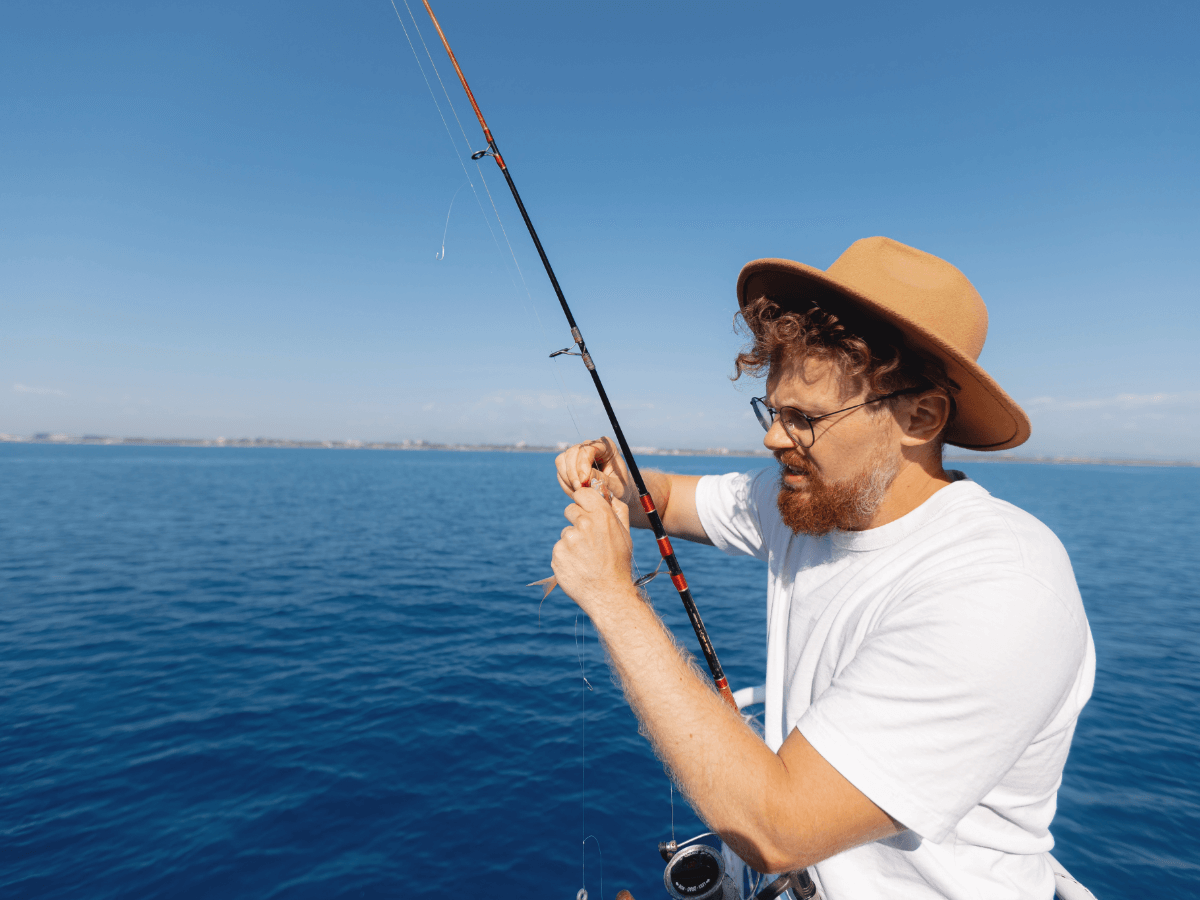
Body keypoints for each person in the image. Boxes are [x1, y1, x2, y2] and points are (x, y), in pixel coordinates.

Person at [549, 237, 1095, 900]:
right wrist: (611, 478)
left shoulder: (1001, 587)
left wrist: (613, 598)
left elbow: (778, 829)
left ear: (919, 416)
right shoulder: (809, 500)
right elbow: (661, 498)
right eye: (773, 411)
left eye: (805, 419)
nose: (773, 438)